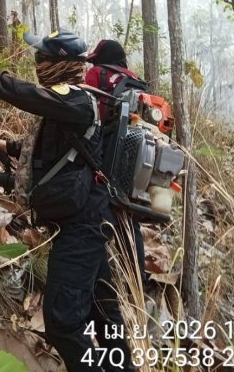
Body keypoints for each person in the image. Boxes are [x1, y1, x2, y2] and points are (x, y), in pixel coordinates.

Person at [0, 30, 133, 372]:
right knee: (103, 312)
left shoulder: (77, 100)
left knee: (63, 322)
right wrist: (10, 147)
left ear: (60, 64)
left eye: (42, 58)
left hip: (84, 226)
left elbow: (31, 96)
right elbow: (60, 149)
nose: (37, 64)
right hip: (86, 221)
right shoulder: (69, 105)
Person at [85, 39, 148, 291]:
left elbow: (86, 111)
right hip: (136, 158)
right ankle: (137, 284)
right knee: (129, 220)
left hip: (103, 153)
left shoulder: (96, 74)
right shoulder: (138, 81)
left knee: (97, 213)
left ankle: (98, 283)